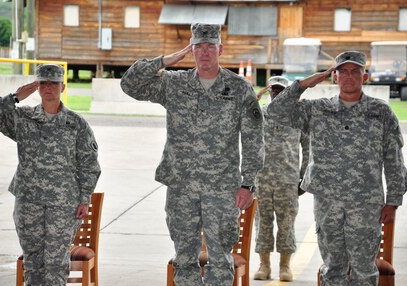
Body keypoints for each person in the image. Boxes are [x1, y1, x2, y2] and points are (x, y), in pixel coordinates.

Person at [120, 23, 264, 285]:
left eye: (211, 46)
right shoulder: (175, 84)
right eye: (199, 46)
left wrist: (248, 183)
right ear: (191, 49)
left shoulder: (238, 88)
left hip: (222, 188)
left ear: (220, 48)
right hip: (181, 186)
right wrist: (163, 61)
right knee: (184, 259)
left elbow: (253, 138)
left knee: (220, 259)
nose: (205, 52)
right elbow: (130, 85)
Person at [267, 51, 405, 285]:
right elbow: (275, 112)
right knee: (332, 269)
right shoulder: (318, 110)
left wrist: (392, 202)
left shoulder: (381, 113)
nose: (349, 76)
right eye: (343, 71)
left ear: (365, 76)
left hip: (366, 204)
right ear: (335, 77)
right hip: (328, 204)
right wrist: (303, 84)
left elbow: (394, 160)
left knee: (364, 270)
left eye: (355, 71)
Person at [0, 64, 101, 285]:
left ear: (62, 87)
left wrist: (85, 199)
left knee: (56, 264)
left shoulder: (76, 124)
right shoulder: (24, 119)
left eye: (54, 83)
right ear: (37, 87)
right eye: (43, 83)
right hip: (29, 202)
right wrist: (14, 97)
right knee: (33, 263)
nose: (49, 87)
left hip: (63, 205)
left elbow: (89, 164)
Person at [253, 76, 309, 282]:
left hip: (288, 178)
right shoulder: (260, 114)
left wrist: (304, 178)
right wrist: (254, 99)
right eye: (274, 89)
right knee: (262, 223)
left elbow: (308, 148)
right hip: (262, 178)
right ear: (269, 91)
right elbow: (238, 118)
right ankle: (264, 265)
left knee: (286, 224)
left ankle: (285, 266)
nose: (277, 93)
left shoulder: (298, 116)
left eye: (281, 90)